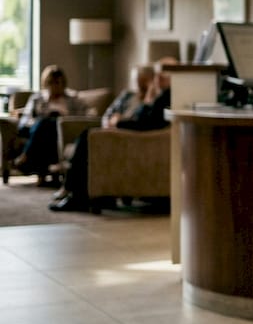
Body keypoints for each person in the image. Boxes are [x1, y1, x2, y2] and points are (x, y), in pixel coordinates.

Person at [50, 58, 174, 212]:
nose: (158, 78)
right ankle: (77, 191)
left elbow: (144, 123)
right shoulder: (159, 96)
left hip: (133, 138)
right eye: (158, 74)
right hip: (130, 134)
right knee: (87, 135)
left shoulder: (166, 97)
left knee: (88, 136)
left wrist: (119, 123)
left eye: (163, 74)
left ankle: (78, 196)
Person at [11, 65, 90, 184]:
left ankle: (27, 156)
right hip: (36, 129)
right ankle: (40, 170)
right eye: (51, 82)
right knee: (44, 125)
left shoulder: (73, 99)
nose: (54, 86)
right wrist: (39, 121)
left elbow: (82, 117)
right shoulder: (37, 98)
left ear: (63, 83)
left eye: (57, 82)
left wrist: (62, 118)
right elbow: (25, 120)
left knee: (51, 127)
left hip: (61, 131)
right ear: (45, 83)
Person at [101, 63, 156, 129]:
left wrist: (119, 121)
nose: (136, 82)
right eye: (135, 79)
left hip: (128, 132)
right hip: (112, 130)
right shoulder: (127, 95)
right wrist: (108, 123)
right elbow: (107, 115)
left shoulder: (152, 102)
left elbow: (139, 121)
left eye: (140, 79)